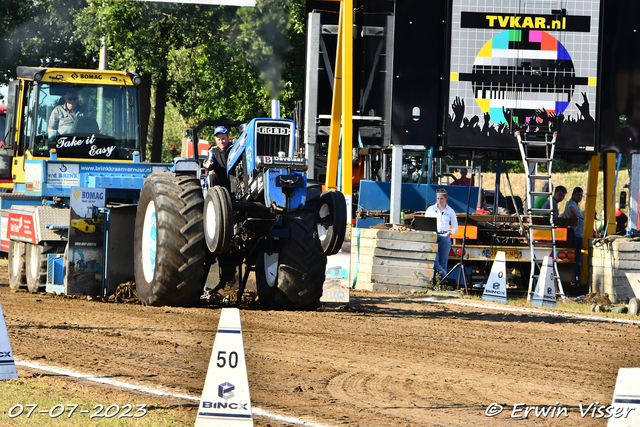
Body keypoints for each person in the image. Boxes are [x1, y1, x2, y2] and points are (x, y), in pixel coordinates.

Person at [426, 189, 458, 283]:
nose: (439, 201)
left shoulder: (450, 211)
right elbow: (426, 222)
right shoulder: (431, 209)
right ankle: (445, 276)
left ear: (446, 198)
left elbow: (455, 227)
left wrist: (450, 232)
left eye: (441, 199)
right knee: (435, 261)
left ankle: (442, 282)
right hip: (434, 236)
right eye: (438, 198)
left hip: (445, 236)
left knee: (443, 261)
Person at [563, 187, 584, 283]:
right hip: (576, 235)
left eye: (581, 195)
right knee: (577, 258)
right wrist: (575, 217)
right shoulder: (572, 203)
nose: (579, 197)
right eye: (578, 195)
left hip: (578, 234)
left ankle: (576, 278)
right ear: (573, 195)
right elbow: (570, 209)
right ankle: (575, 279)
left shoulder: (574, 204)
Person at [203, 126, 233, 191]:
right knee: (212, 177)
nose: (221, 142)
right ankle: (213, 197)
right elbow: (208, 160)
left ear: (228, 137)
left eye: (223, 139)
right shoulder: (213, 150)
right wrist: (208, 163)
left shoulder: (235, 147)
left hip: (235, 178)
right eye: (218, 140)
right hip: (221, 180)